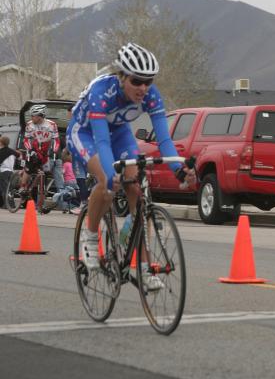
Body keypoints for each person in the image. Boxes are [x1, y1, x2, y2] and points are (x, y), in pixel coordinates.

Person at [66, 42, 195, 281]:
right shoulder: (101, 92)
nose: (143, 88)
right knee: (107, 183)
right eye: (136, 81)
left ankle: (144, 268)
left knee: (136, 188)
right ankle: (91, 237)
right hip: (86, 134)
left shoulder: (151, 96)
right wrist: (110, 173)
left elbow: (164, 140)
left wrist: (179, 168)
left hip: (120, 134)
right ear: (122, 76)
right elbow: (102, 142)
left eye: (149, 81)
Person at [20, 104, 60, 191]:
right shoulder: (29, 124)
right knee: (29, 168)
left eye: (33, 116)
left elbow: (56, 140)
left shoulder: (52, 124)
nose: (31, 118)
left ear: (39, 116)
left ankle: (40, 191)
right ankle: (22, 187)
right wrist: (30, 150)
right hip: (34, 148)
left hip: (46, 150)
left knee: (46, 171)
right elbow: (26, 139)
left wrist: (54, 151)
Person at [0, 135, 18, 207]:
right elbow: (19, 157)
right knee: (9, 189)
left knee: (5, 189)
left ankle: (8, 205)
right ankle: (10, 204)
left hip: (3, 171)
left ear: (1, 143)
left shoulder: (2, 151)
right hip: (11, 171)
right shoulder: (12, 151)